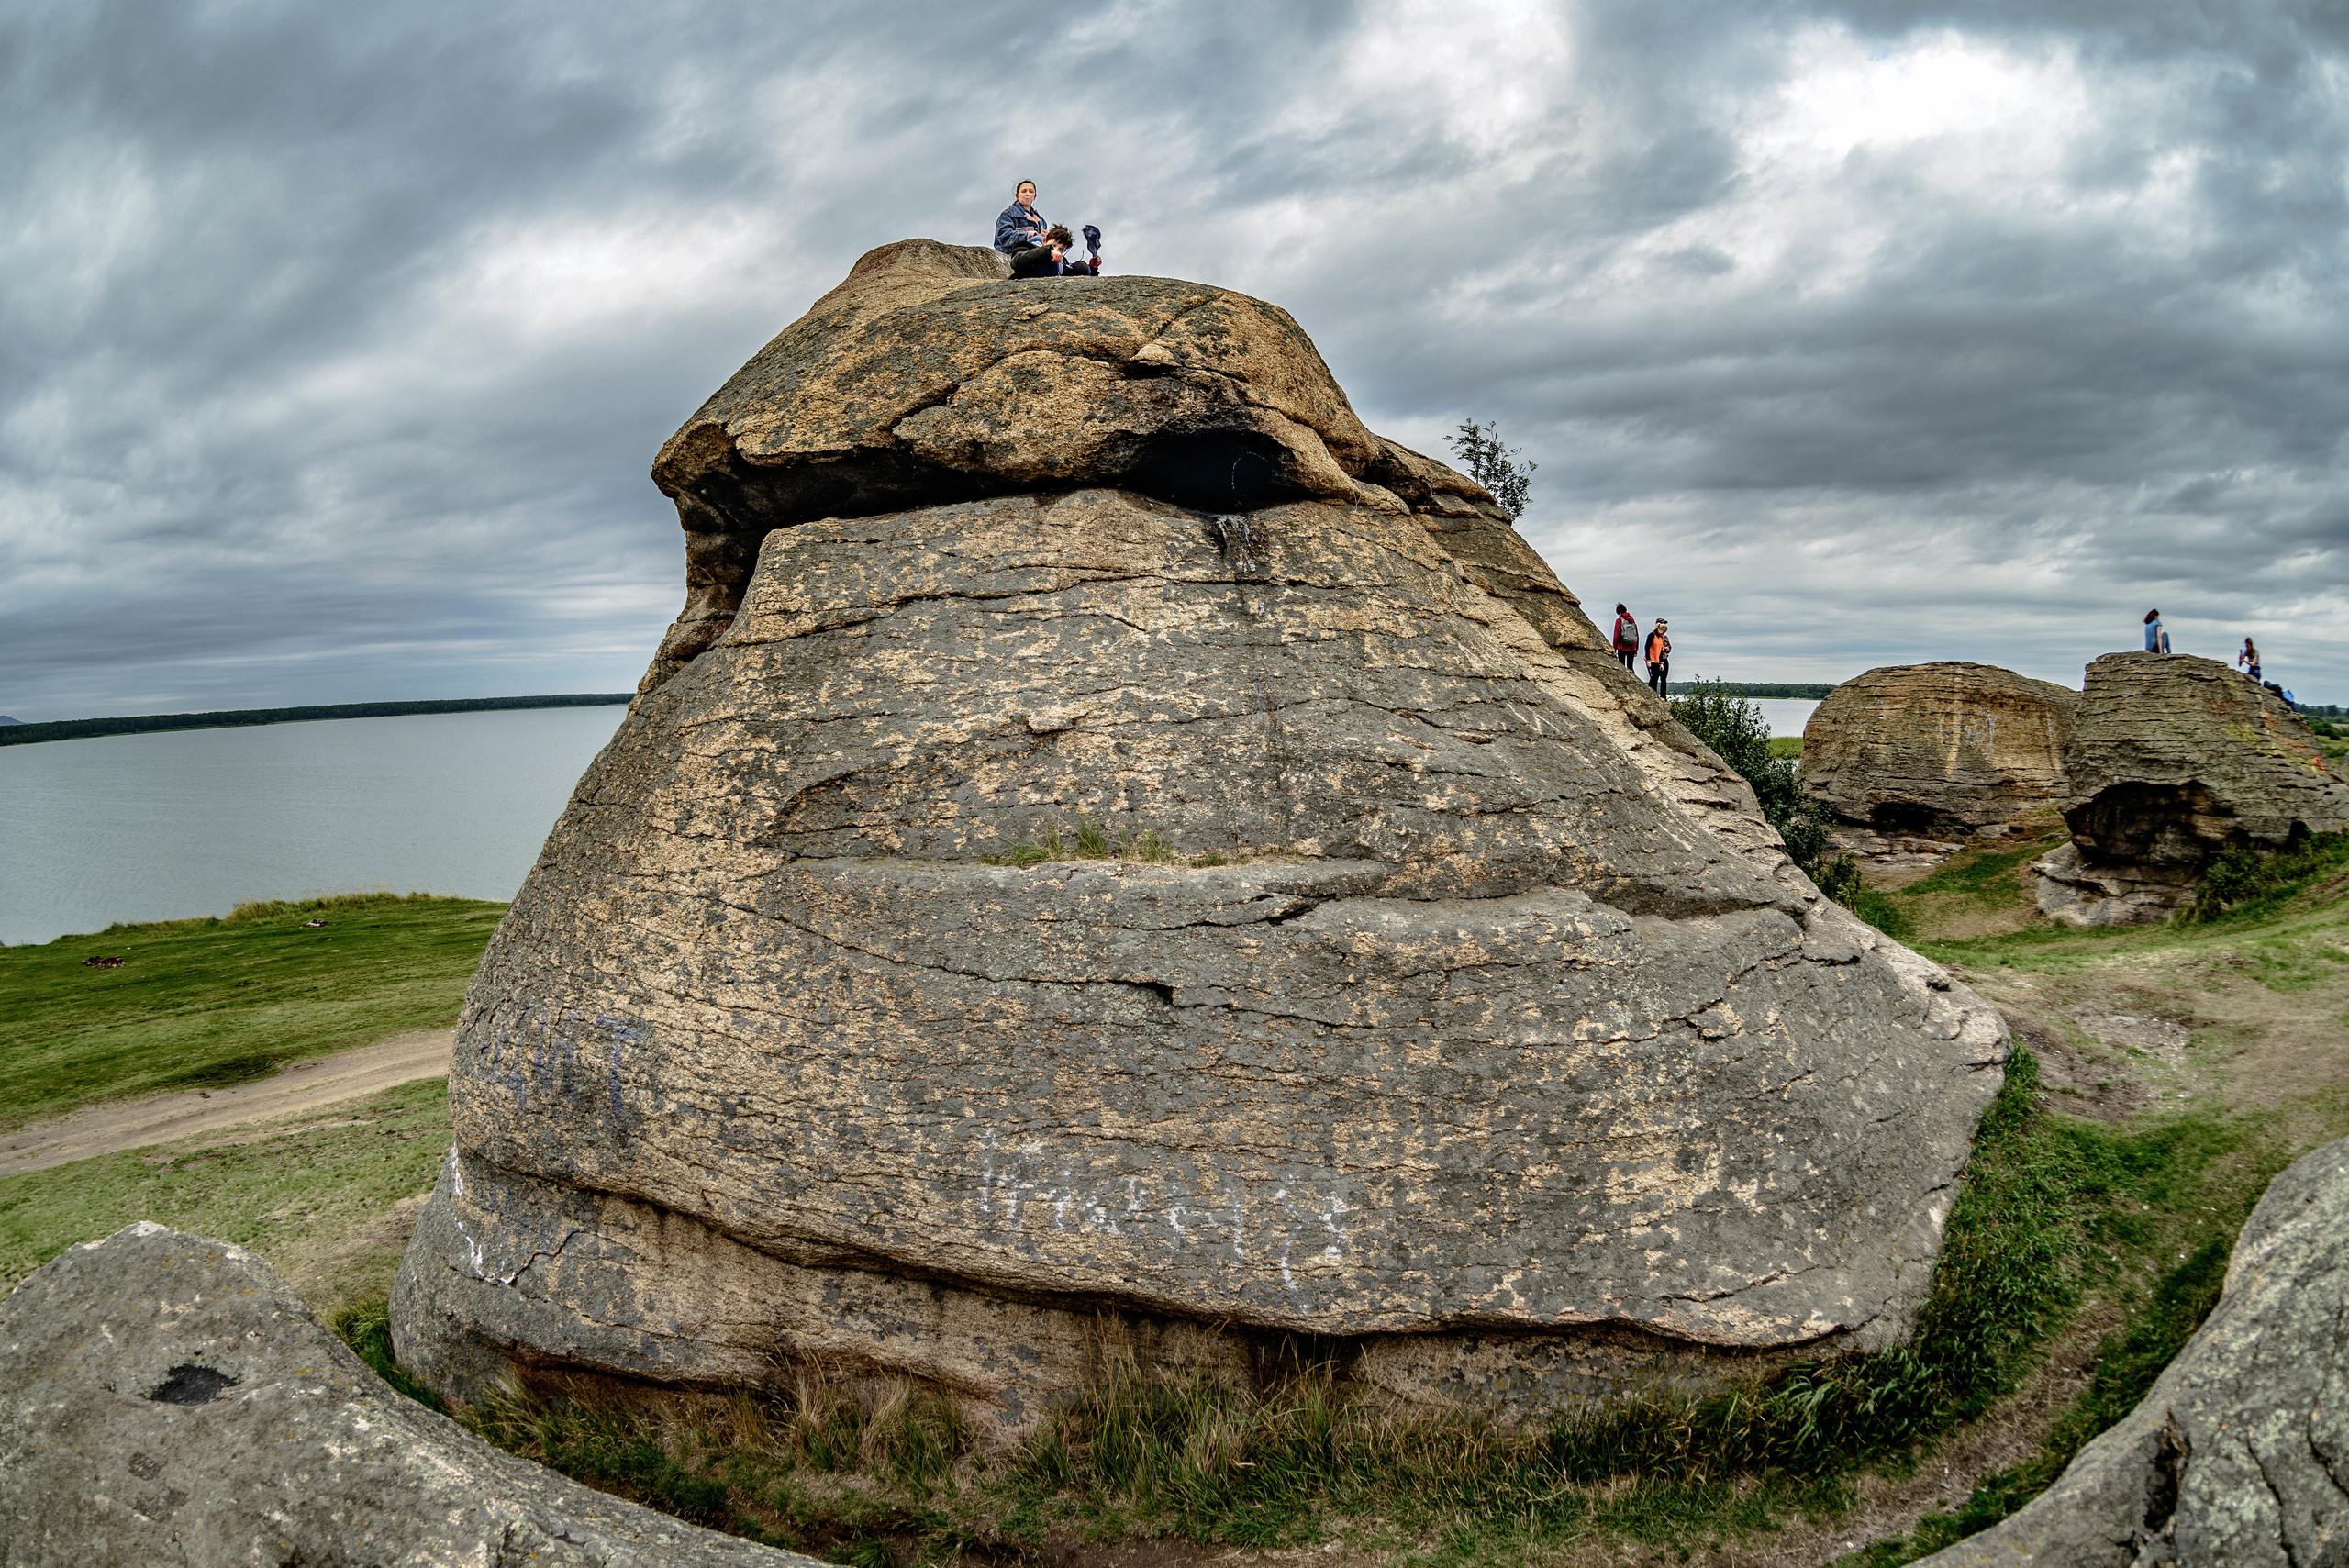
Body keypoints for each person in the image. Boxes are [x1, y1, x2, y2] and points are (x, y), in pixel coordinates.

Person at [1009, 224, 1100, 278]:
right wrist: (1047, 252)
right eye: (1053, 245)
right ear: (1044, 241)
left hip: (1055, 290)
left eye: (1061, 249)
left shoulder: (1061, 263)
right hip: (1028, 285)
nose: (1056, 250)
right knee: (1049, 259)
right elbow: (1016, 262)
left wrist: (1093, 268)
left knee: (1082, 267)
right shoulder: (1026, 247)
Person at [994, 180, 1047, 255]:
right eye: (1024, 191)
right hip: (1012, 256)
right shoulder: (1008, 215)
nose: (1027, 194)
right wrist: (1030, 235)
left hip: (1034, 256)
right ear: (1017, 195)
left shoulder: (1041, 222)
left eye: (1031, 191)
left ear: (1034, 196)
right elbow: (1004, 237)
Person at [1643, 619, 1672, 696]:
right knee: (1653, 678)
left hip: (1660, 660)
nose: (1664, 633)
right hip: (1652, 659)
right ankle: (1651, 695)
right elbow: (1647, 647)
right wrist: (1648, 660)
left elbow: (1663, 650)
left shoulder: (1662, 638)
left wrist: (1661, 662)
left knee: (1661, 679)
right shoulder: (1652, 635)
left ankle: (1662, 696)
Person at [1612, 604, 1639, 672]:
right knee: (1630, 666)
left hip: (1622, 647)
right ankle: (1633, 681)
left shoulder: (1619, 621)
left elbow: (1616, 635)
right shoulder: (1632, 621)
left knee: (1622, 667)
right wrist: (1636, 649)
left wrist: (1614, 648)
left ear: (1619, 613)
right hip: (1632, 647)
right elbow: (1636, 635)